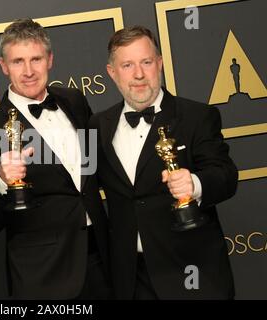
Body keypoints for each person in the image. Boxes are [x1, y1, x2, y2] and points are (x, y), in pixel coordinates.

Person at [89, 26, 238, 299]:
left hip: (192, 273)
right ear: (112, 72)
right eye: (127, 65)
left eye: (146, 62)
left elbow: (226, 175)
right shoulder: (97, 126)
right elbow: (80, 188)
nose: (138, 74)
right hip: (130, 281)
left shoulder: (196, 116)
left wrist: (194, 183)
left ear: (159, 63)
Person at [0, 18, 111, 299]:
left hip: (101, 261)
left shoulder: (73, 101)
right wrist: (1, 181)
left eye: (36, 59)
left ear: (50, 59)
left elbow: (90, 173)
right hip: (43, 275)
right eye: (17, 61)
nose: (28, 71)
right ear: (3, 66)